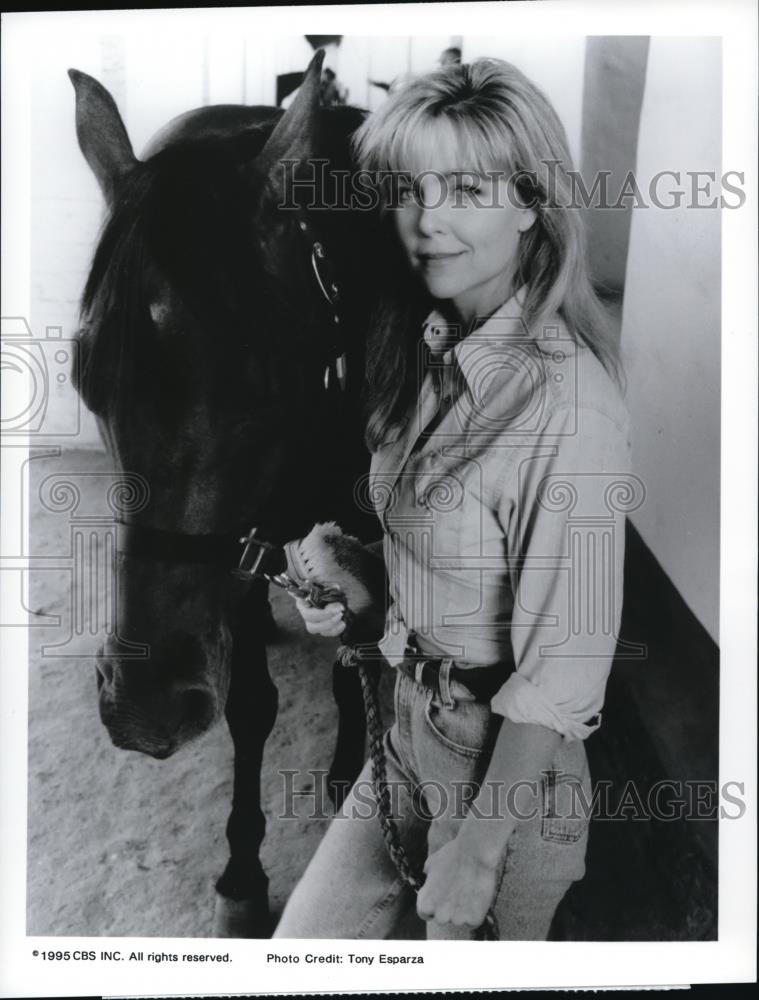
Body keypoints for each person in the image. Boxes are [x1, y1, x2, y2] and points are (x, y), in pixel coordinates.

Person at [273, 58, 632, 940]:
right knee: (300, 952)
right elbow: (446, 572)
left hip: (504, 779)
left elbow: (566, 665)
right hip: (402, 728)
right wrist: (357, 583)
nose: (428, 220)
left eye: (467, 187)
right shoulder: (425, 349)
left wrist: (476, 852)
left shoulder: (569, 406)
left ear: (530, 202)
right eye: (410, 187)